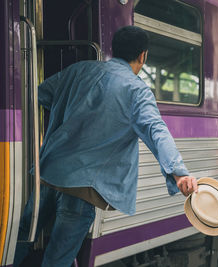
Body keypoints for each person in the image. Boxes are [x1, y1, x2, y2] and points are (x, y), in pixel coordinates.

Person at [14, 25, 198, 267]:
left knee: (21, 238)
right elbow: (156, 131)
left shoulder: (78, 71)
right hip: (84, 187)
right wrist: (178, 173)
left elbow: (40, 95)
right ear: (143, 56)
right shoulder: (137, 91)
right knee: (58, 257)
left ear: (115, 49)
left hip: (50, 173)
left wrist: (72, 112)